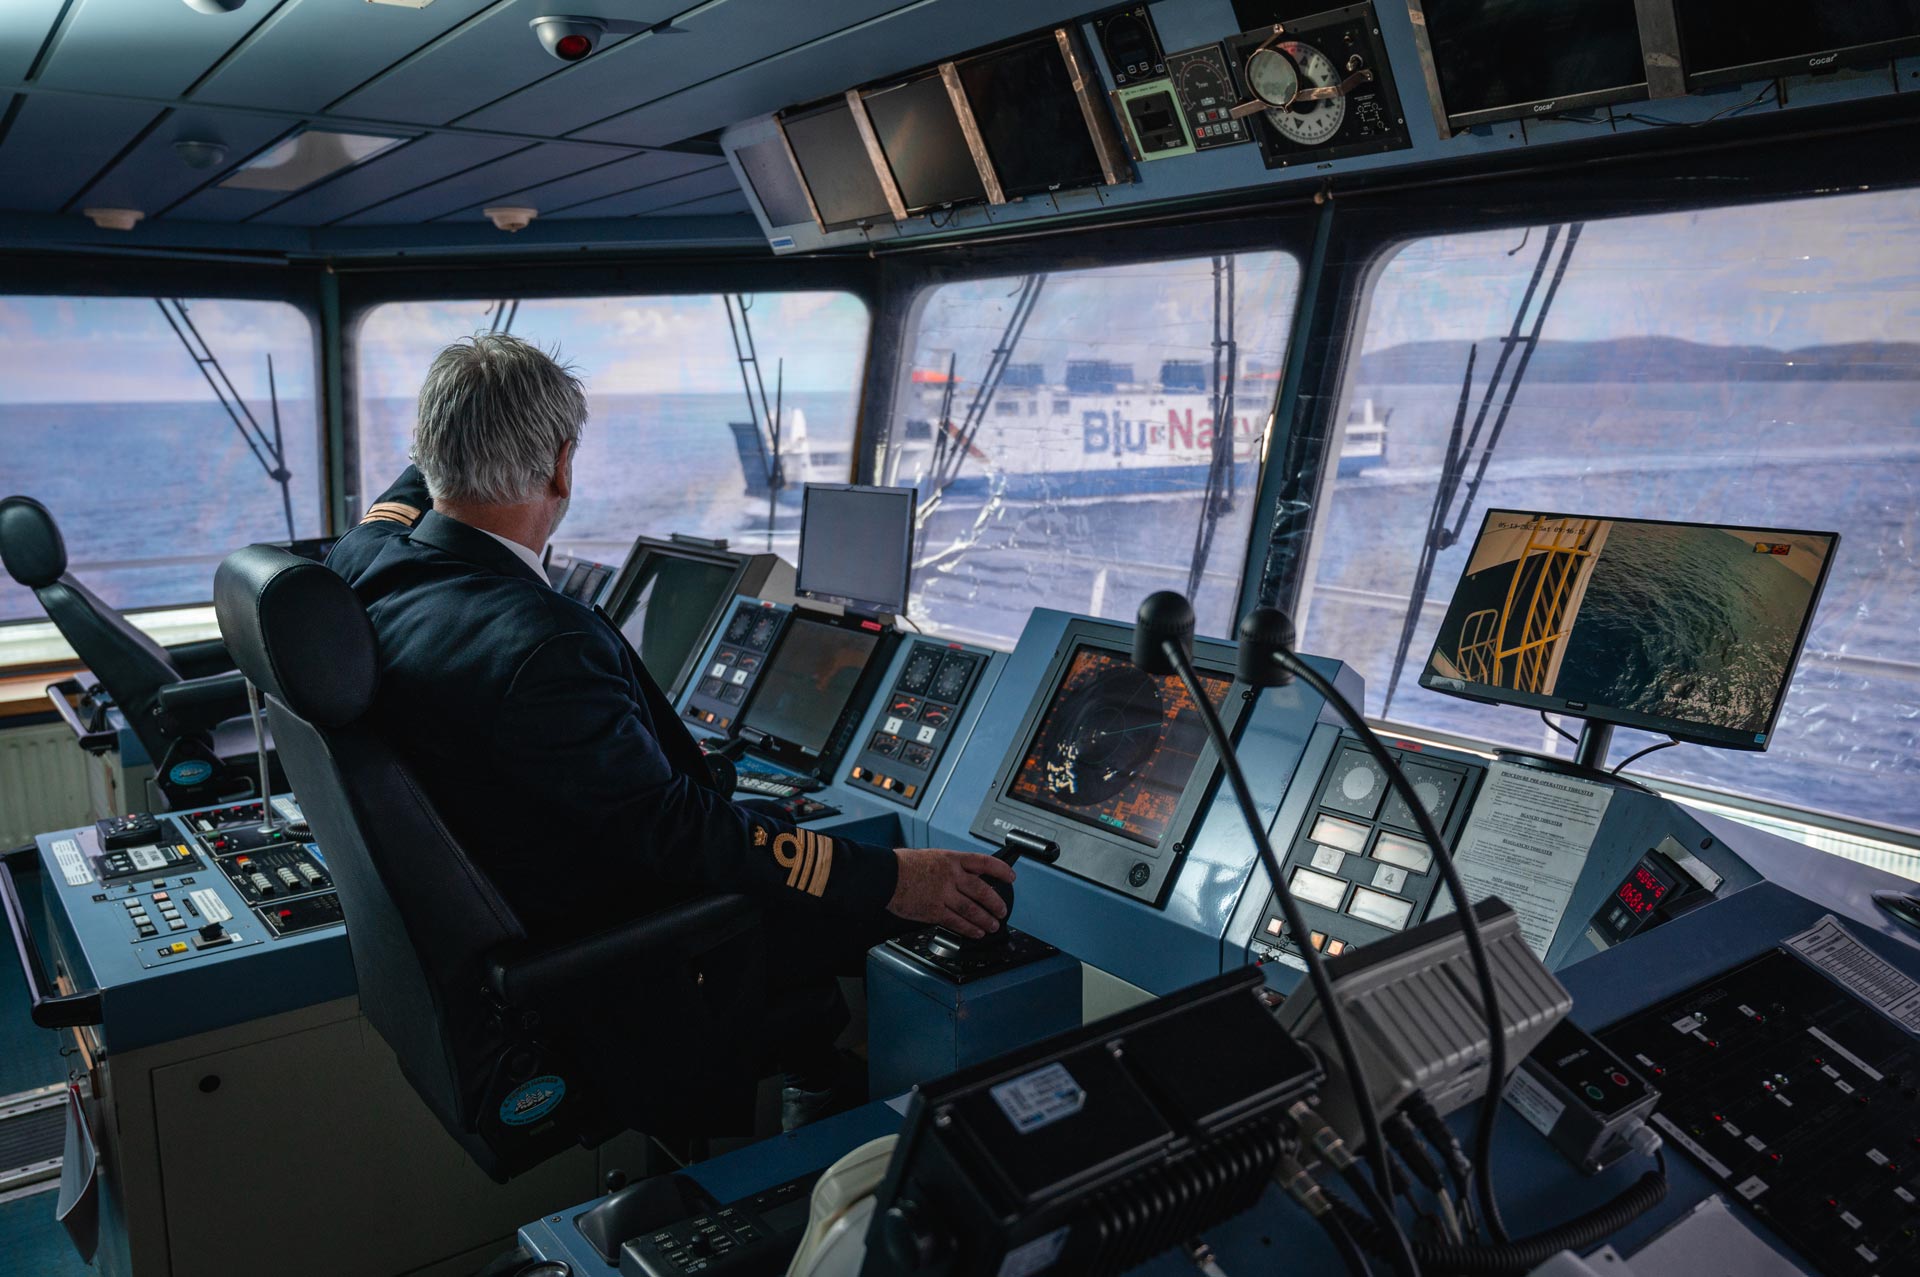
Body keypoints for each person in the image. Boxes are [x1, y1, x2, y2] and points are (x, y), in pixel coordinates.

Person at [328, 334, 1013, 1134]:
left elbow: (409, 491)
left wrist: (458, 429)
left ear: (428, 451)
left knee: (804, 852)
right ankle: (900, 1126)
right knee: (961, 898)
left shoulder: (365, 561)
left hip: (506, 900)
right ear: (562, 467)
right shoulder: (543, 642)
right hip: (626, 948)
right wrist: (893, 877)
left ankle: (815, 1075)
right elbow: (679, 833)